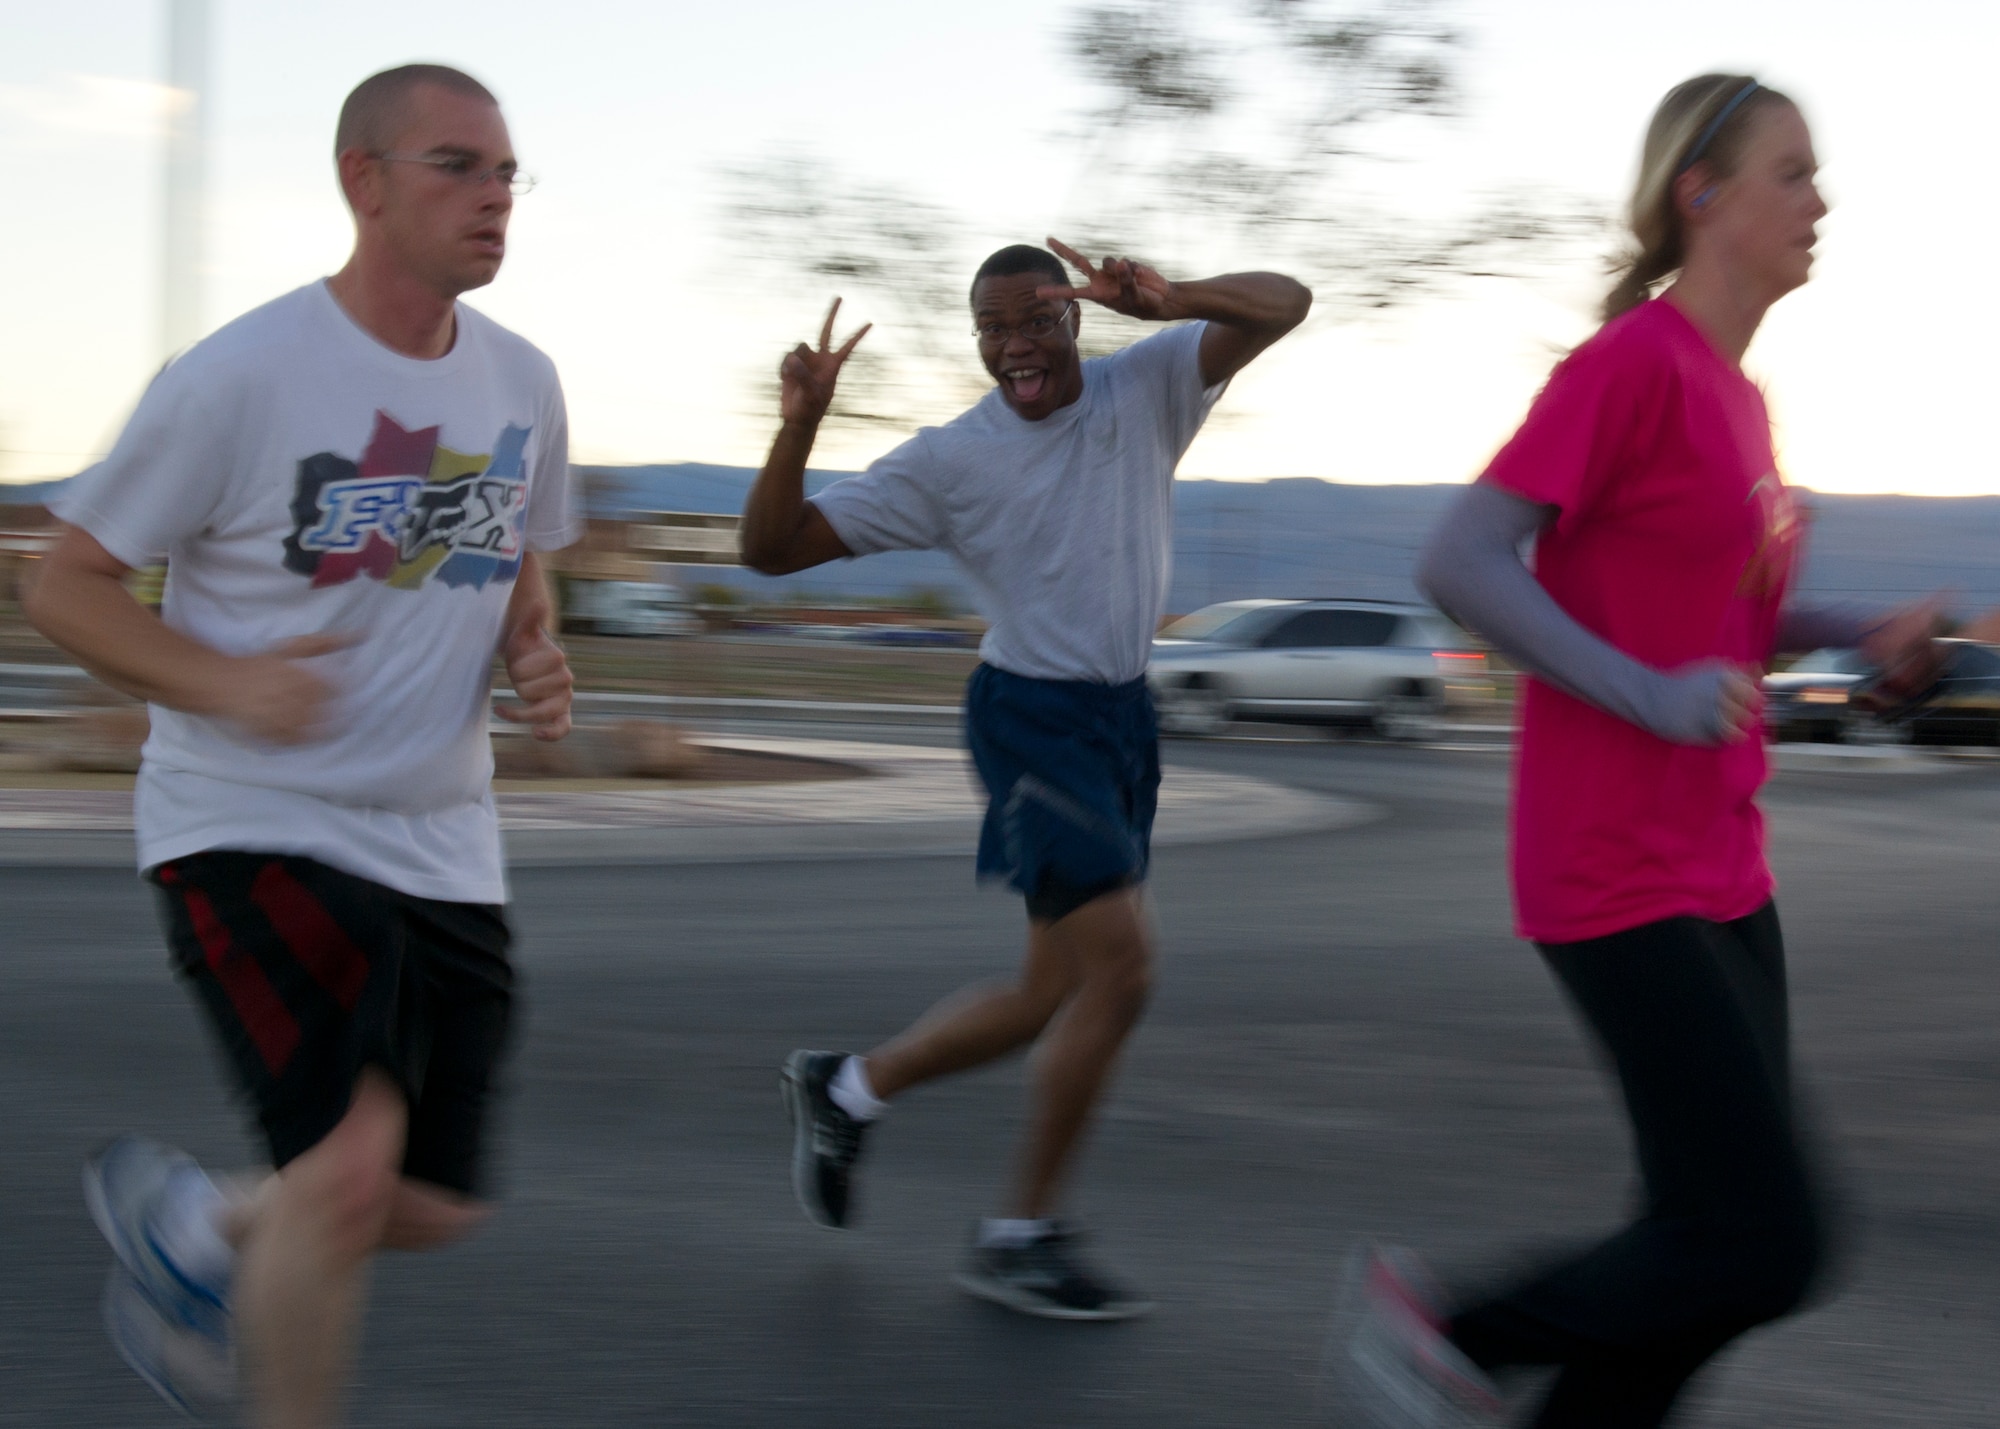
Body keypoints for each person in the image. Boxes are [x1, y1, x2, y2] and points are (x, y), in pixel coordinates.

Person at [1328, 74, 1942, 1427]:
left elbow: (1736, 626)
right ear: (1702, 195)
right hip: (1612, 868)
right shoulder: (1629, 368)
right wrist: (1643, 693)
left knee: (1705, 1253)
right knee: (1766, 1239)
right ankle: (1453, 1329)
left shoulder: (1739, 399)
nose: (1820, 200)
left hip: (1724, 863)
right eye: (1793, 171)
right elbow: (1463, 560)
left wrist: (1868, 636)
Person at [27, 64, 578, 1427]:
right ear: (365, 182)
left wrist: (533, 645)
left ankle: (206, 1230)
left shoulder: (526, 380)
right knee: (343, 1174)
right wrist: (225, 682)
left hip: (443, 831)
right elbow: (62, 580)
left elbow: (513, 543)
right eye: (459, 166)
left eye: (509, 172)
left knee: (432, 1204)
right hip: (250, 812)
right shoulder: (240, 377)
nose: (495, 195)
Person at [742, 239, 1309, 1318]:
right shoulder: (951, 460)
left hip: (1119, 721)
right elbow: (768, 551)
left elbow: (1287, 303)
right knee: (1125, 971)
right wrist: (800, 420)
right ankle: (1018, 1234)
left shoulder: (1148, 385)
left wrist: (1173, 296)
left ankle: (847, 1088)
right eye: (993, 331)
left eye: (1036, 322)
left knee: (1047, 992)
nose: (1015, 349)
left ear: (1075, 324)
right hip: (1031, 720)